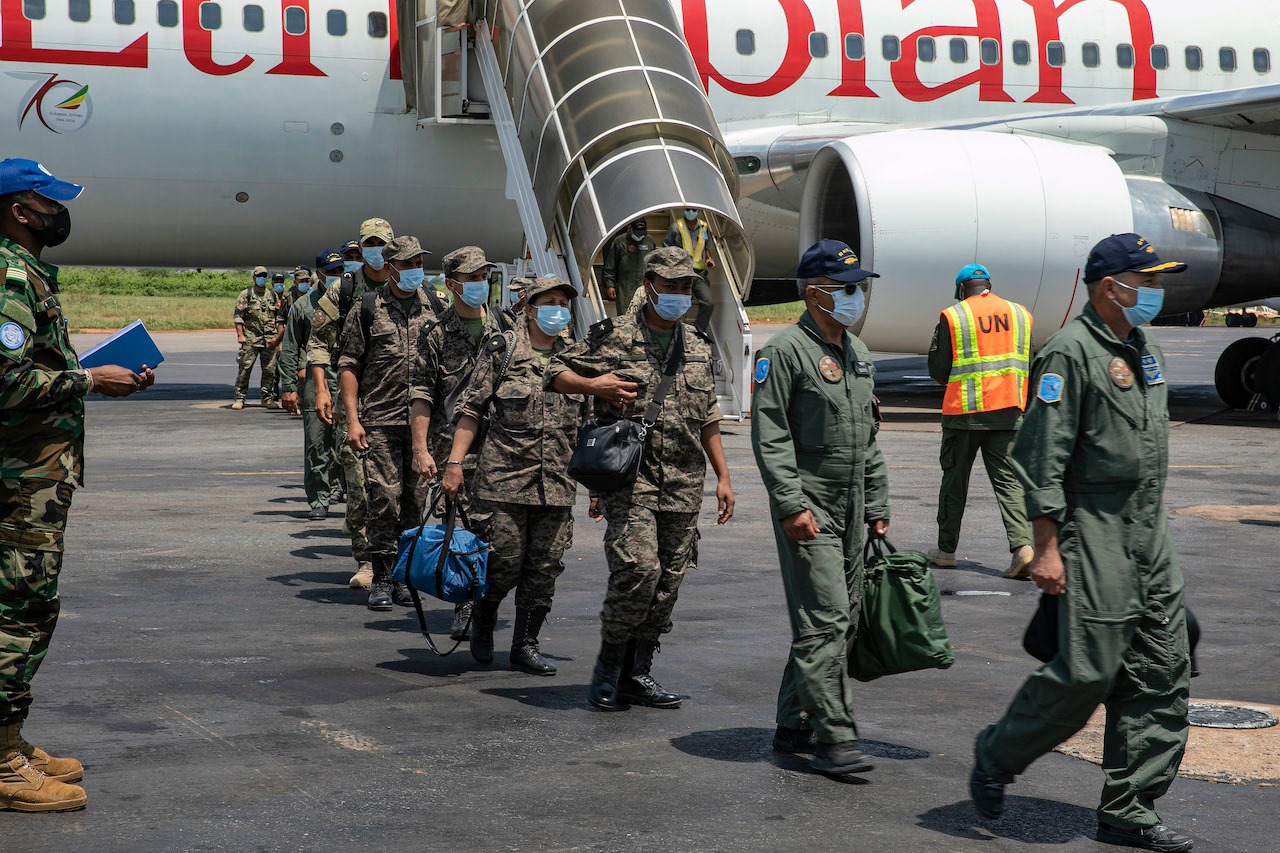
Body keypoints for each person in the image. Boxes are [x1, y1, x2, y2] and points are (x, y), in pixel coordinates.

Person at [971, 234, 1195, 853]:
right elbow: (1039, 461)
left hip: (1147, 529)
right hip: (1091, 528)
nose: (1156, 292)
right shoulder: (1070, 354)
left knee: (1163, 668)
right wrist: (1046, 547)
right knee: (1089, 670)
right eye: (1145, 281)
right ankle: (997, 753)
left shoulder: (1141, 347)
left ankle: (1130, 809)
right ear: (1110, 287)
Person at [0, 159, 155, 812]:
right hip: (19, 484)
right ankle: (4, 763)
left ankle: (9, 738)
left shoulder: (28, 272)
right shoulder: (9, 274)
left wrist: (103, 370)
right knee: (16, 614)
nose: (59, 213)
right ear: (18, 210)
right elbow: (6, 382)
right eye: (48, 202)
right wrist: (92, 381)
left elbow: (33, 365)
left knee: (33, 608)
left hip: (39, 479)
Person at [548, 246, 734, 711]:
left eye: (685, 286)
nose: (678, 294)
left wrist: (724, 478)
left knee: (668, 580)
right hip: (631, 481)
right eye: (669, 286)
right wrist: (595, 385)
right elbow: (551, 369)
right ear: (649, 285)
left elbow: (708, 415)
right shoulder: (611, 337)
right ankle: (607, 672)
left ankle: (638, 672)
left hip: (685, 483)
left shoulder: (695, 344)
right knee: (638, 570)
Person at [750, 239, 890, 781]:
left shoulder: (857, 353)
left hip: (853, 506)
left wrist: (877, 503)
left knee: (838, 620)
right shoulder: (783, 353)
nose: (858, 297)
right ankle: (836, 736)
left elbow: (869, 438)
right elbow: (772, 437)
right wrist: (790, 505)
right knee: (827, 620)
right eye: (847, 288)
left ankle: (792, 723)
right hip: (811, 507)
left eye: (860, 286)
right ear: (815, 294)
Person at [442, 276, 589, 673]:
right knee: (503, 561)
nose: (558, 309)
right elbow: (471, 410)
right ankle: (484, 621)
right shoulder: (502, 351)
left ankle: (526, 643)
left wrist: (600, 488)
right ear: (529, 308)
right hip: (503, 480)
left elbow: (589, 429)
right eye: (550, 301)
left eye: (563, 302)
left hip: (557, 484)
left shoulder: (577, 357)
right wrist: (454, 465)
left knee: (545, 567)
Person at [409, 246, 504, 641]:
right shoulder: (436, 335)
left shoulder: (506, 327)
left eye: (485, 276)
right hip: (456, 452)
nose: (481, 284)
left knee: (500, 535)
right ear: (451, 284)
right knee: (466, 533)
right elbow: (421, 394)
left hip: (505, 451)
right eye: (472, 278)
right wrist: (421, 449)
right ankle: (468, 606)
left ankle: (487, 604)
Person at [338, 236, 437, 611]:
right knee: (384, 499)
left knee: (415, 502)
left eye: (418, 263)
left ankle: (403, 578)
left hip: (423, 425)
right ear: (392, 267)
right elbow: (349, 365)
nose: (415, 270)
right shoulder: (367, 308)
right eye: (408, 264)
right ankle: (380, 575)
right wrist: (353, 419)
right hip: (380, 419)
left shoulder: (434, 307)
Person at [926, 263, 1035, 579]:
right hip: (1008, 410)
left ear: (962, 289)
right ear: (988, 284)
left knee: (954, 483)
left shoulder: (955, 316)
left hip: (965, 414)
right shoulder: (1019, 314)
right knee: (1008, 482)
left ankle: (946, 551)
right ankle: (1023, 548)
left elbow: (938, 369)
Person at [310, 220, 394, 591]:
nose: (373, 250)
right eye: (367, 244)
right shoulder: (343, 289)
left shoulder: (411, 287)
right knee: (359, 484)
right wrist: (321, 390)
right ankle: (367, 561)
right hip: (353, 402)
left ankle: (397, 563)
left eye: (380, 244)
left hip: (398, 402)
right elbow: (318, 342)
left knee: (398, 489)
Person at [280, 251, 343, 520]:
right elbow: (291, 347)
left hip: (346, 379)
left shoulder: (350, 299)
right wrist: (288, 386)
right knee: (316, 443)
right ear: (319, 274)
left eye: (341, 271)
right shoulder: (303, 306)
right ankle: (319, 499)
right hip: (315, 380)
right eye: (332, 272)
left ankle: (340, 488)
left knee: (345, 441)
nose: (337, 277)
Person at [232, 264, 283, 409]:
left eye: (264, 276)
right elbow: (238, 316)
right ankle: (240, 398)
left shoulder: (273, 295)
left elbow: (279, 317)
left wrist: (278, 339)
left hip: (269, 339)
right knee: (245, 368)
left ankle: (267, 398)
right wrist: (240, 335)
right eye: (259, 276)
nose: (262, 278)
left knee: (269, 370)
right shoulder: (246, 294)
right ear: (254, 277)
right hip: (251, 338)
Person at [662, 208, 716, 334]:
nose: (691, 212)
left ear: (698, 211)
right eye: (688, 210)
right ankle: (675, 332)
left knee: (708, 302)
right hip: (681, 273)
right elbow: (666, 248)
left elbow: (706, 246)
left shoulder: (704, 227)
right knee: (679, 303)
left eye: (693, 210)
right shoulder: (676, 227)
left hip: (699, 274)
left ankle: (699, 331)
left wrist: (709, 259)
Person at [602, 219, 655, 316]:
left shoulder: (650, 241)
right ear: (630, 228)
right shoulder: (619, 241)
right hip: (625, 287)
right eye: (637, 233)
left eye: (642, 233)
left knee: (644, 316)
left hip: (644, 287)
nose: (639, 236)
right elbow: (610, 266)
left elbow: (654, 265)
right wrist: (609, 285)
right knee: (625, 316)